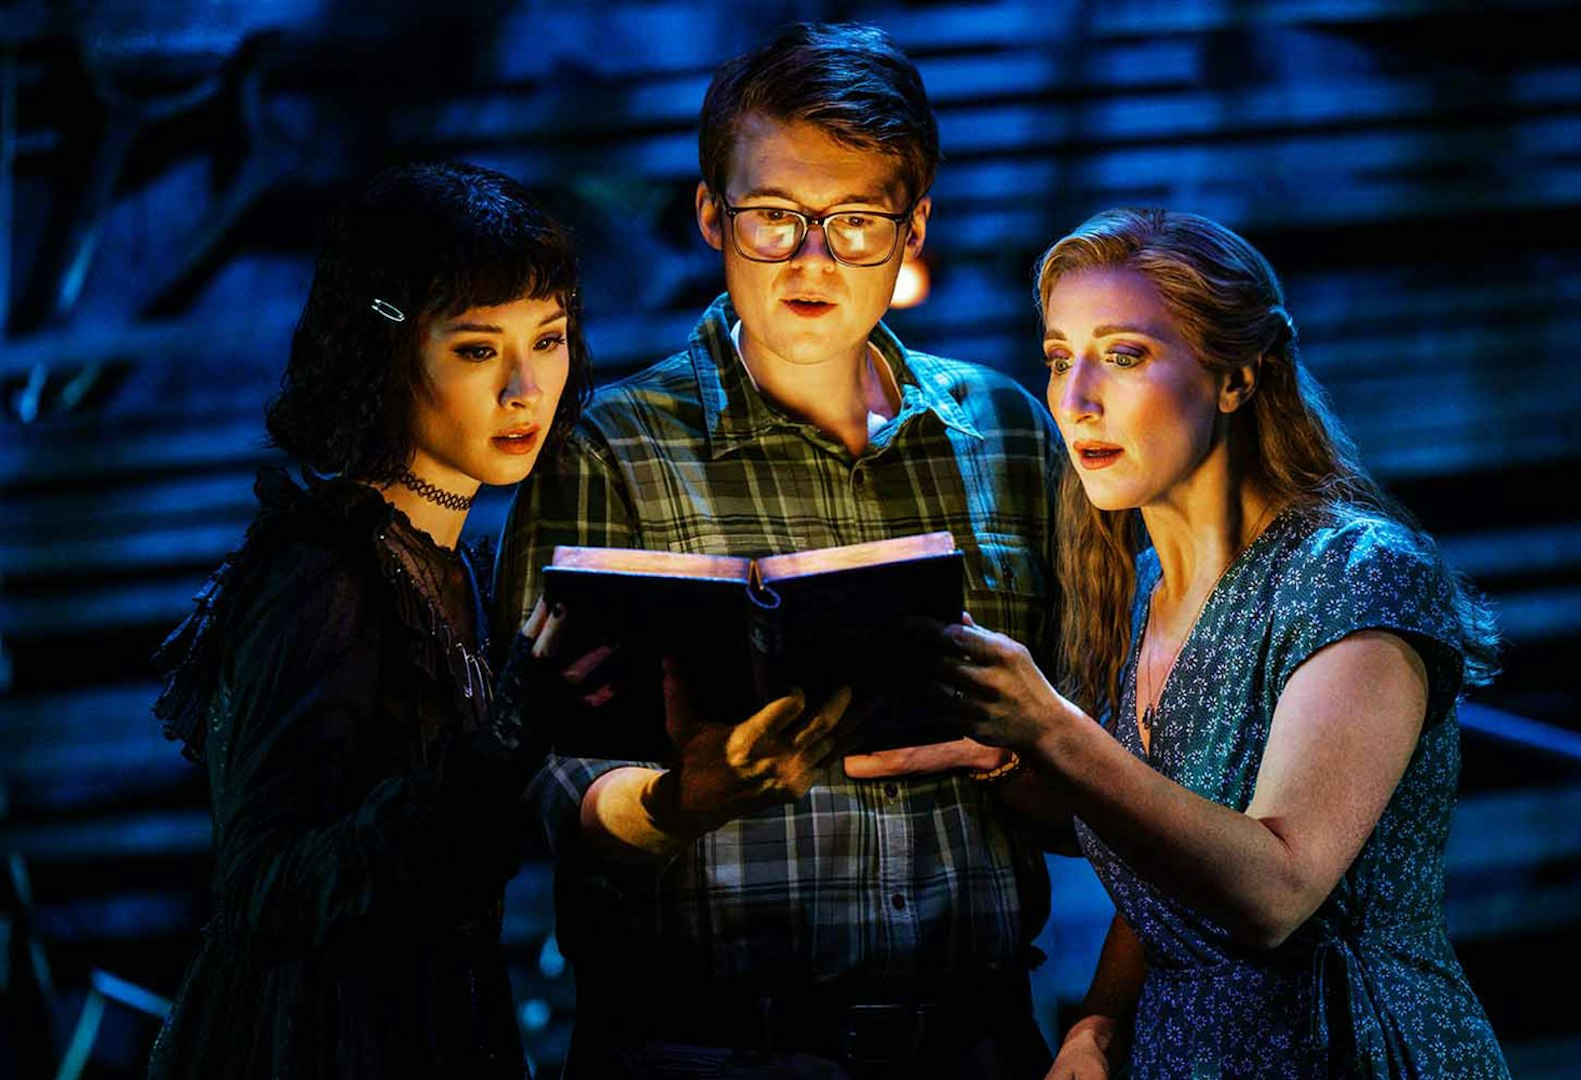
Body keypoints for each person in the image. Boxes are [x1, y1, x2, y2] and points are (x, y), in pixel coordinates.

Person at [496, 22, 1066, 1079]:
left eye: (855, 221)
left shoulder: (1012, 432)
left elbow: (1097, 767)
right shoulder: (605, 448)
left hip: (976, 1041)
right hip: (708, 1050)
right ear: (712, 214)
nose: (813, 259)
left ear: (913, 230)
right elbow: (529, 770)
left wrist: (1019, 753)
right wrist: (679, 802)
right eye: (774, 218)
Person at [909, 207, 1509, 1077]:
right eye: (1058, 359)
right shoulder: (1142, 589)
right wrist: (1101, 1019)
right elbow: (1169, 871)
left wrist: (1052, 727)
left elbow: (1275, 890)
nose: (1076, 400)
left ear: (1235, 379)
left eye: (1123, 356)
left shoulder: (1353, 570)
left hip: (1346, 1052)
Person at [147, 161, 597, 1079]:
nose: (525, 388)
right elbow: (267, 887)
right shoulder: (328, 572)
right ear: (389, 348)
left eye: (547, 340)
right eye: (478, 350)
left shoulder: (452, 568)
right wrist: (505, 742)